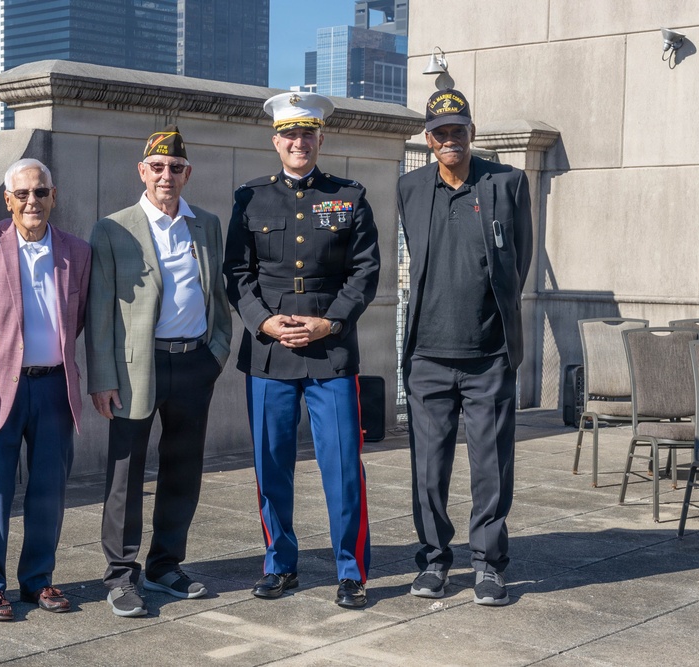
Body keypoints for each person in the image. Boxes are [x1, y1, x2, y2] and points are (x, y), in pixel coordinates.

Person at [223, 92, 380, 609]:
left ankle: (351, 572)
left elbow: (365, 271)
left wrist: (329, 321)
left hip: (330, 354)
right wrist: (263, 322)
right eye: (289, 134)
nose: (298, 142)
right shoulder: (250, 199)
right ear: (276, 141)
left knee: (342, 467)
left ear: (319, 139)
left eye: (307, 134)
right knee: (271, 467)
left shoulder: (349, 196)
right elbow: (237, 274)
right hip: (269, 355)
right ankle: (279, 565)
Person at [86, 125, 231, 618]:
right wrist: (101, 377)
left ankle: (166, 565)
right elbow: (98, 310)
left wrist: (215, 354)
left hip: (194, 363)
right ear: (141, 171)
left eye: (175, 167)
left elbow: (218, 296)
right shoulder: (114, 227)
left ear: (187, 173)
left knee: (183, 468)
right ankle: (121, 576)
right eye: (157, 167)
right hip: (135, 369)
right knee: (125, 474)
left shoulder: (205, 224)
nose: (166, 175)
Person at [397, 88, 532, 606]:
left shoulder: (507, 182)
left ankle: (489, 564)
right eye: (441, 132)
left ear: (472, 133)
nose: (450, 139)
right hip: (428, 355)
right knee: (428, 470)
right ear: (428, 140)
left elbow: (517, 263)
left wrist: (494, 330)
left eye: (459, 130)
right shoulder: (409, 188)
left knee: (491, 466)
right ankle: (433, 562)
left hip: (489, 355)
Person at [0, 159, 90, 622]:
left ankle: (38, 580)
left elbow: (81, 317)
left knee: (48, 491)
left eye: (41, 192)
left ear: (54, 196)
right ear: (7, 200)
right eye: (23, 194)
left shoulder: (78, 251)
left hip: (54, 387)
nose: (32, 201)